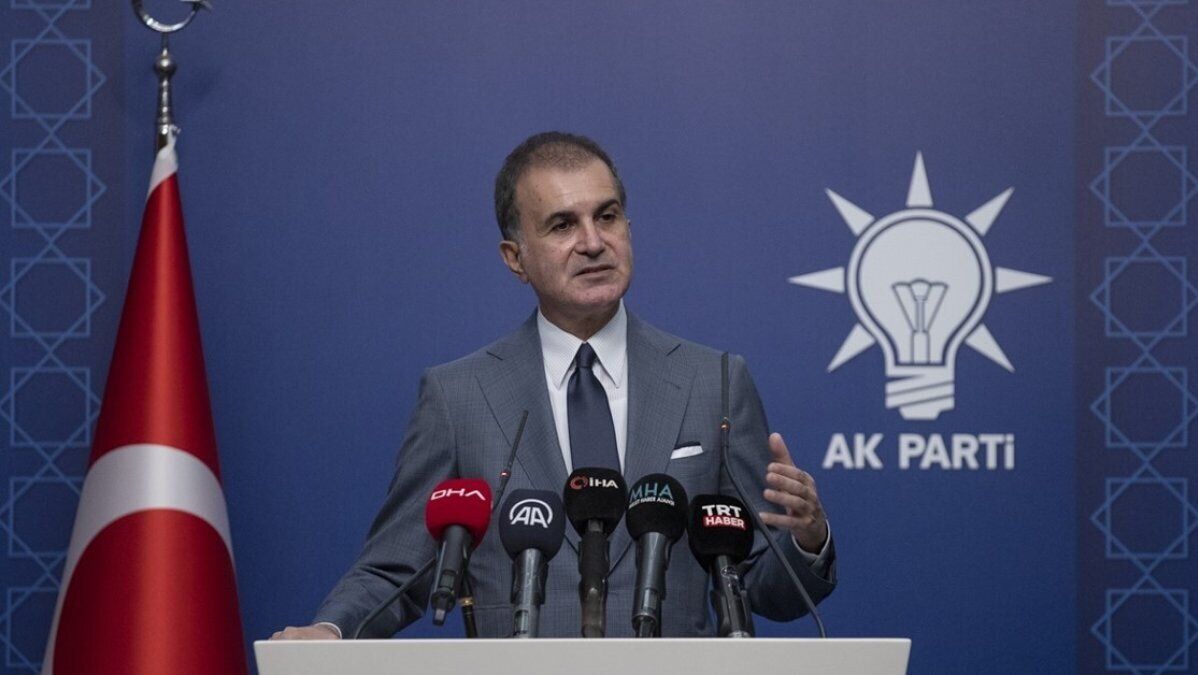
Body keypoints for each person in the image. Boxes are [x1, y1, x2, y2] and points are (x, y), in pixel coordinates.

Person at [272, 132, 835, 640]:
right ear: (515, 259)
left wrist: (807, 539)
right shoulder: (459, 397)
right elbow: (395, 570)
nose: (593, 242)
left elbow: (765, 586)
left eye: (607, 216)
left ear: (629, 229)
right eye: (563, 225)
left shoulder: (715, 381)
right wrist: (331, 630)